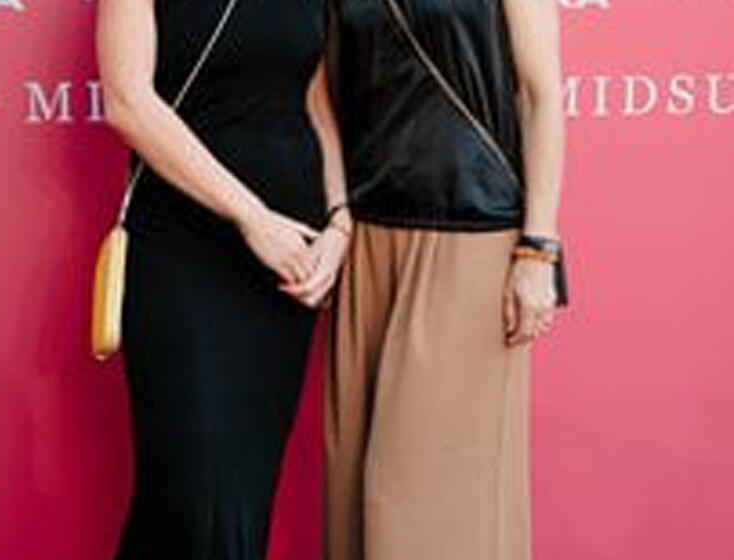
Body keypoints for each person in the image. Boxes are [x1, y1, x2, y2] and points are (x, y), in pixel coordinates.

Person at [95, 0, 349, 558]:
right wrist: (251, 217)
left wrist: (339, 219)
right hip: (184, 251)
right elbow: (128, 102)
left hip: (285, 264)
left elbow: (313, 99)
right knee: (194, 503)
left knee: (236, 501)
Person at [324, 1, 566, 559]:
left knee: (429, 495)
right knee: (354, 488)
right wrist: (337, 215)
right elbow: (325, 93)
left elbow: (541, 96)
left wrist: (538, 249)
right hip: (367, 241)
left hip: (472, 236)